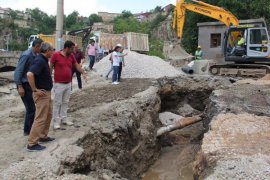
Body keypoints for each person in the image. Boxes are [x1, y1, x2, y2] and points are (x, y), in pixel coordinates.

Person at [50, 40, 87, 129]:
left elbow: (77, 65)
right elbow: (50, 66)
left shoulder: (71, 56)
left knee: (65, 102)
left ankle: (64, 118)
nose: (73, 51)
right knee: (57, 103)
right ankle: (56, 121)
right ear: (66, 48)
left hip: (68, 83)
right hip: (58, 83)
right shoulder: (56, 55)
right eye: (71, 49)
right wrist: (49, 78)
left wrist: (83, 73)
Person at [26, 42, 54, 151]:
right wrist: (34, 90)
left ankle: (43, 136)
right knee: (40, 118)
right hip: (41, 94)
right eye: (51, 50)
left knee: (48, 115)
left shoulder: (43, 60)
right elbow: (29, 74)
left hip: (46, 93)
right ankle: (32, 143)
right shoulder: (39, 61)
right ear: (47, 51)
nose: (53, 52)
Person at [14, 38, 43, 136]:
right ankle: (27, 131)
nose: (41, 48)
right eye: (40, 47)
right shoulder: (26, 55)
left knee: (32, 109)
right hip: (24, 85)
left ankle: (29, 129)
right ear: (36, 46)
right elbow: (18, 71)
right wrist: (19, 86)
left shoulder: (36, 55)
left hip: (30, 85)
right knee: (31, 109)